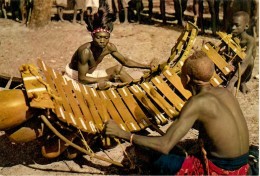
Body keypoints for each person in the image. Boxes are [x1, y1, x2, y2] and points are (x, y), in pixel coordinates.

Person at [104, 51, 250, 175]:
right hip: (244, 163)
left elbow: (164, 145)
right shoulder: (225, 92)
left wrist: (123, 134)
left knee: (146, 151)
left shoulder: (197, 103)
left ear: (186, 79)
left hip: (224, 169)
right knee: (180, 146)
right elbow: (215, 125)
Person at [65, 6, 151, 88]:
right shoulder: (85, 51)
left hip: (90, 75)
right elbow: (82, 79)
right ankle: (137, 91)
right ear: (92, 37)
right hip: (76, 77)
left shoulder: (109, 47)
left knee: (118, 69)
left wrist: (148, 66)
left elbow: (125, 61)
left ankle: (138, 90)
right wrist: (107, 78)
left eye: (106, 38)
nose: (102, 41)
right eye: (99, 37)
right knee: (104, 85)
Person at [227, 11, 256, 94]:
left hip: (244, 71)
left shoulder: (250, 40)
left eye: (237, 25)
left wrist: (232, 82)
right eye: (232, 24)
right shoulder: (232, 36)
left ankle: (242, 82)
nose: (233, 27)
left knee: (250, 60)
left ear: (246, 26)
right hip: (232, 67)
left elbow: (245, 60)